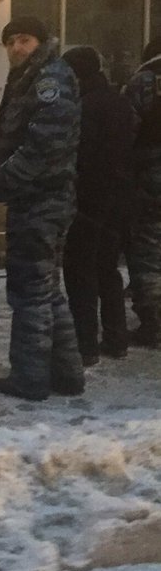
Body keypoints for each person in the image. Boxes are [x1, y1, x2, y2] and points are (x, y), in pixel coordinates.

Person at [0, 15, 83, 400]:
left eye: (23, 40)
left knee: (29, 291)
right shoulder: (29, 77)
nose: (16, 48)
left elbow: (46, 143)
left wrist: (8, 177)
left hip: (41, 200)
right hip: (39, 199)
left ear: (39, 42)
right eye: (10, 42)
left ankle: (29, 378)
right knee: (47, 290)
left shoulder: (49, 79)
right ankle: (68, 375)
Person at [61, 47, 136, 364]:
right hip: (119, 197)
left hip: (89, 200)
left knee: (79, 270)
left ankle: (85, 344)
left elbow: (82, 156)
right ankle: (116, 338)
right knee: (107, 268)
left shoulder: (83, 107)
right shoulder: (119, 101)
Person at [123, 36, 161, 348]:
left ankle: (153, 325)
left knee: (147, 253)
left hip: (150, 180)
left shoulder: (143, 83)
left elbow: (125, 133)